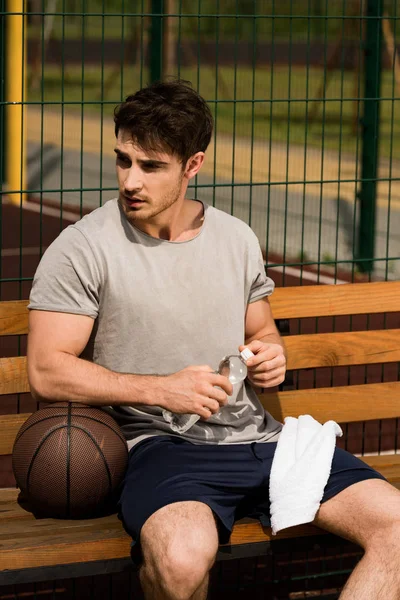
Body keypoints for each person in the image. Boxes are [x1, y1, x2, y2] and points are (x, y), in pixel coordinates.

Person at [27, 79, 400, 600]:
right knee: (180, 562)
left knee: (397, 529)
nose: (130, 180)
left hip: (263, 441)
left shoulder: (235, 237)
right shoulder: (83, 247)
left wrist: (273, 354)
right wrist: (161, 390)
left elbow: (261, 329)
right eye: (123, 160)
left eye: (151, 166)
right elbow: (46, 369)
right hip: (161, 447)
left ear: (192, 165)